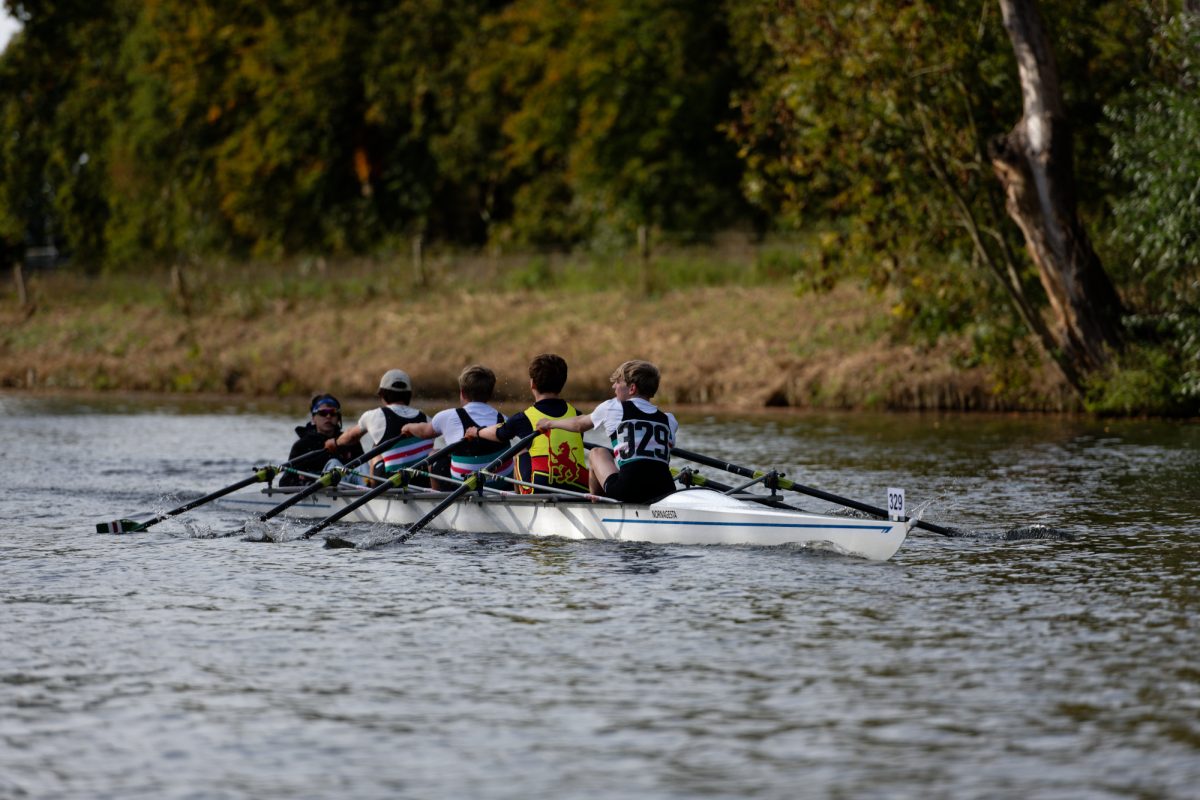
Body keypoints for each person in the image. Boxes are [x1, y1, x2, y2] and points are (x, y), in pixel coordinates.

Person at [536, 360, 678, 503]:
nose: (614, 386)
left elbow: (579, 424)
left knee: (597, 452)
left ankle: (596, 505)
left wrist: (549, 423)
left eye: (618, 382)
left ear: (632, 388)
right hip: (666, 492)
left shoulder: (613, 407)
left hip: (627, 491)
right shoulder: (669, 420)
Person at [465, 353, 589, 494]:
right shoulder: (577, 416)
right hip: (579, 486)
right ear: (563, 383)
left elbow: (499, 434)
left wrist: (477, 432)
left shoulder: (524, 418)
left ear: (532, 384)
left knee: (520, 448)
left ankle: (519, 498)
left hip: (541, 488)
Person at [399, 364, 513, 489]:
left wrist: (408, 427)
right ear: (490, 394)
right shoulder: (505, 419)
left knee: (434, 454)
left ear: (462, 393)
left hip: (462, 485)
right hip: (500, 485)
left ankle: (437, 496)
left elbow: (424, 432)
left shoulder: (448, 416)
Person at [324, 369, 434, 483]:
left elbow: (351, 436)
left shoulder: (375, 415)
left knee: (375, 450)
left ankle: (371, 489)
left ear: (382, 394)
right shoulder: (427, 419)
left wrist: (335, 443)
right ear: (409, 395)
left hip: (391, 484)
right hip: (423, 483)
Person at [280, 394, 363, 486]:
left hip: (351, 487)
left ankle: (371, 491)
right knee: (334, 464)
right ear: (313, 418)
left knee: (363, 465)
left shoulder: (350, 441)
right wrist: (307, 483)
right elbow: (285, 483)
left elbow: (362, 469)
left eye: (332, 413)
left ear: (338, 418)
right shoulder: (301, 445)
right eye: (323, 413)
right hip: (320, 490)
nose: (328, 416)